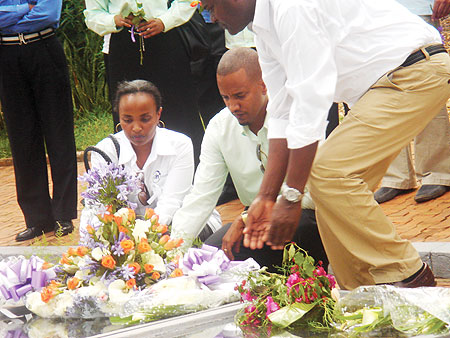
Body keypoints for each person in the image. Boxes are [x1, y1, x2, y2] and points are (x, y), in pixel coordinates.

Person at [202, 0, 450, 289]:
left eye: (210, 8)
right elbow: (283, 113)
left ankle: (409, 276)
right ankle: (358, 293)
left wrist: (292, 195)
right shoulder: (264, 31)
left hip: (414, 70)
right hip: (383, 85)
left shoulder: (291, 8)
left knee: (327, 172)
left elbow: (311, 103)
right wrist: (266, 199)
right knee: (329, 194)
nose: (211, 18)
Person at [171, 48, 328, 271]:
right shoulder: (219, 127)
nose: (233, 106)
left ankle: (308, 276)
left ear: (264, 85)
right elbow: (201, 197)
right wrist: (171, 253)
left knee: (298, 227)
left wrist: (245, 218)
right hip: (252, 224)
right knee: (211, 254)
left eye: (240, 96)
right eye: (225, 97)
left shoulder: (294, 115)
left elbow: (316, 195)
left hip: (303, 215)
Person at [84, 0, 204, 165]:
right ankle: (134, 182)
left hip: (166, 38)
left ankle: (192, 178)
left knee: (180, 114)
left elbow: (188, 2)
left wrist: (164, 21)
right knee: (130, 115)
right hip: (123, 45)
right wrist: (114, 20)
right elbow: (92, 15)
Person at [0, 0, 77, 241]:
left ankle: (63, 214)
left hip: (44, 49)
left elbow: (49, 14)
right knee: (22, 139)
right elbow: (34, 12)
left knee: (59, 133)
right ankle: (37, 219)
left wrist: (10, 15)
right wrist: (26, 9)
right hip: (7, 56)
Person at [80, 80, 196, 231]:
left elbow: (172, 202)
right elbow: (98, 207)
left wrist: (144, 237)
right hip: (124, 235)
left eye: (145, 119)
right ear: (119, 117)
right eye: (127, 120)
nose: (136, 128)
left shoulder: (180, 145)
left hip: (174, 225)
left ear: (158, 114)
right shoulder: (105, 151)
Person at [374, 0, 450, 204]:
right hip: (374, 13)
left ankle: (436, 172)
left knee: (427, 84)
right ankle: (396, 176)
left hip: (417, 9)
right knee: (384, 87)